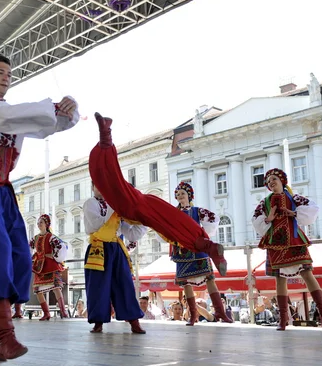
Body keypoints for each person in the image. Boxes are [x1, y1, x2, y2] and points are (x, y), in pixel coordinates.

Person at [0, 54, 79, 360]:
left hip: (2, 192)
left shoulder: (15, 114)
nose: (7, 77)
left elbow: (49, 125)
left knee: (21, 256)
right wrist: (50, 106)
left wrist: (68, 109)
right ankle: (5, 335)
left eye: (9, 73)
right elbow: (9, 118)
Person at [88, 112, 227, 276]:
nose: (98, 189)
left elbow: (108, 171)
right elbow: (133, 233)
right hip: (146, 203)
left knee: (173, 226)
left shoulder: (112, 195)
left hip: (136, 208)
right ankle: (209, 246)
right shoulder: (114, 197)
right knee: (175, 223)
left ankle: (106, 133)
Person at [252, 168, 322, 330]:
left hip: (294, 240)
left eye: (274, 179)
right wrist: (268, 219)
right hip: (275, 242)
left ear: (282, 181)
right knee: (280, 279)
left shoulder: (294, 198)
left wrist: (293, 213)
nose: (271, 182)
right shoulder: (264, 202)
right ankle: (283, 319)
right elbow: (256, 220)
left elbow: (312, 208)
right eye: (269, 181)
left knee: (307, 274)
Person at [83, 183, 147, 334]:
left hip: (116, 248)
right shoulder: (90, 203)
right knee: (98, 286)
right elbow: (96, 224)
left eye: (102, 183)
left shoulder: (116, 208)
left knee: (125, 284)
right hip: (98, 248)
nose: (100, 187)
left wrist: (142, 221)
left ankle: (133, 320)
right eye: (97, 185)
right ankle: (98, 322)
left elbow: (131, 234)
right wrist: (116, 206)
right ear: (92, 187)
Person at [167, 182, 233, 325]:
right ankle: (193, 314)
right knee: (186, 283)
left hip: (198, 250)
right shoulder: (173, 213)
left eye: (183, 194)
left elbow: (213, 219)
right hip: (182, 251)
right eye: (177, 195)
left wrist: (203, 233)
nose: (180, 196)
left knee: (209, 278)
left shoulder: (197, 211)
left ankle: (220, 312)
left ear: (189, 196)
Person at [30, 214, 69, 320]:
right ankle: (46, 313)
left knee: (56, 287)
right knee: (38, 290)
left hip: (50, 265)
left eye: (41, 223)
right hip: (39, 267)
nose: (39, 225)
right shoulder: (35, 238)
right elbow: (28, 247)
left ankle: (63, 311)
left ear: (46, 224)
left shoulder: (51, 237)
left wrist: (54, 255)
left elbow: (61, 246)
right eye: (38, 223)